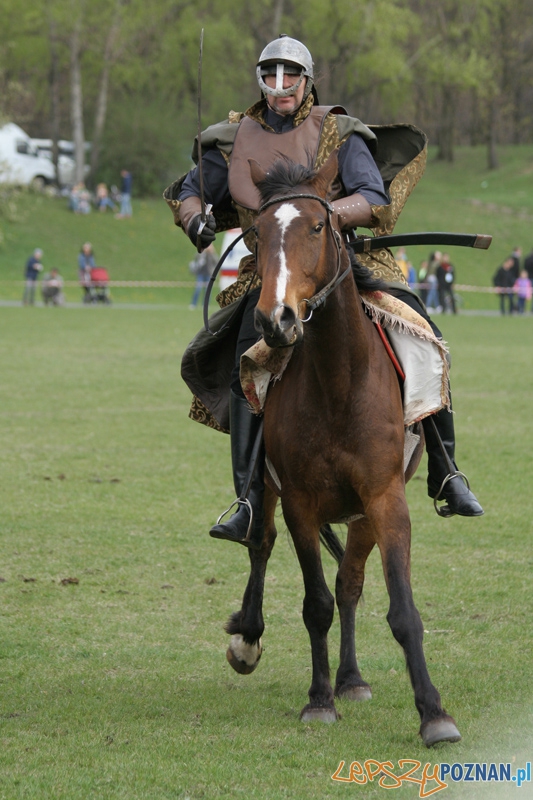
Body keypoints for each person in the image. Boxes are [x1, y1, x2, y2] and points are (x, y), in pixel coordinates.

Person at [168, 35, 483, 548]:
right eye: (269, 76)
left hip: (342, 263)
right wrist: (195, 217)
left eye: (289, 75)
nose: (279, 86)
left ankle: (445, 471)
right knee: (244, 359)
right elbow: (190, 190)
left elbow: (372, 195)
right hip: (270, 271)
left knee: (424, 331)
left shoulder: (338, 131)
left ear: (306, 80)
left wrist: (317, 219)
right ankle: (248, 500)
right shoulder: (233, 136)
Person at [189, 243, 218, 309]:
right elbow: (196, 257)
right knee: (198, 289)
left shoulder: (212, 254)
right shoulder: (201, 253)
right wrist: (203, 252)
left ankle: (205, 305)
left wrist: (212, 252)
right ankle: (193, 304)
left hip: (208, 274)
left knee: (207, 291)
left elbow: (216, 261)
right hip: (200, 273)